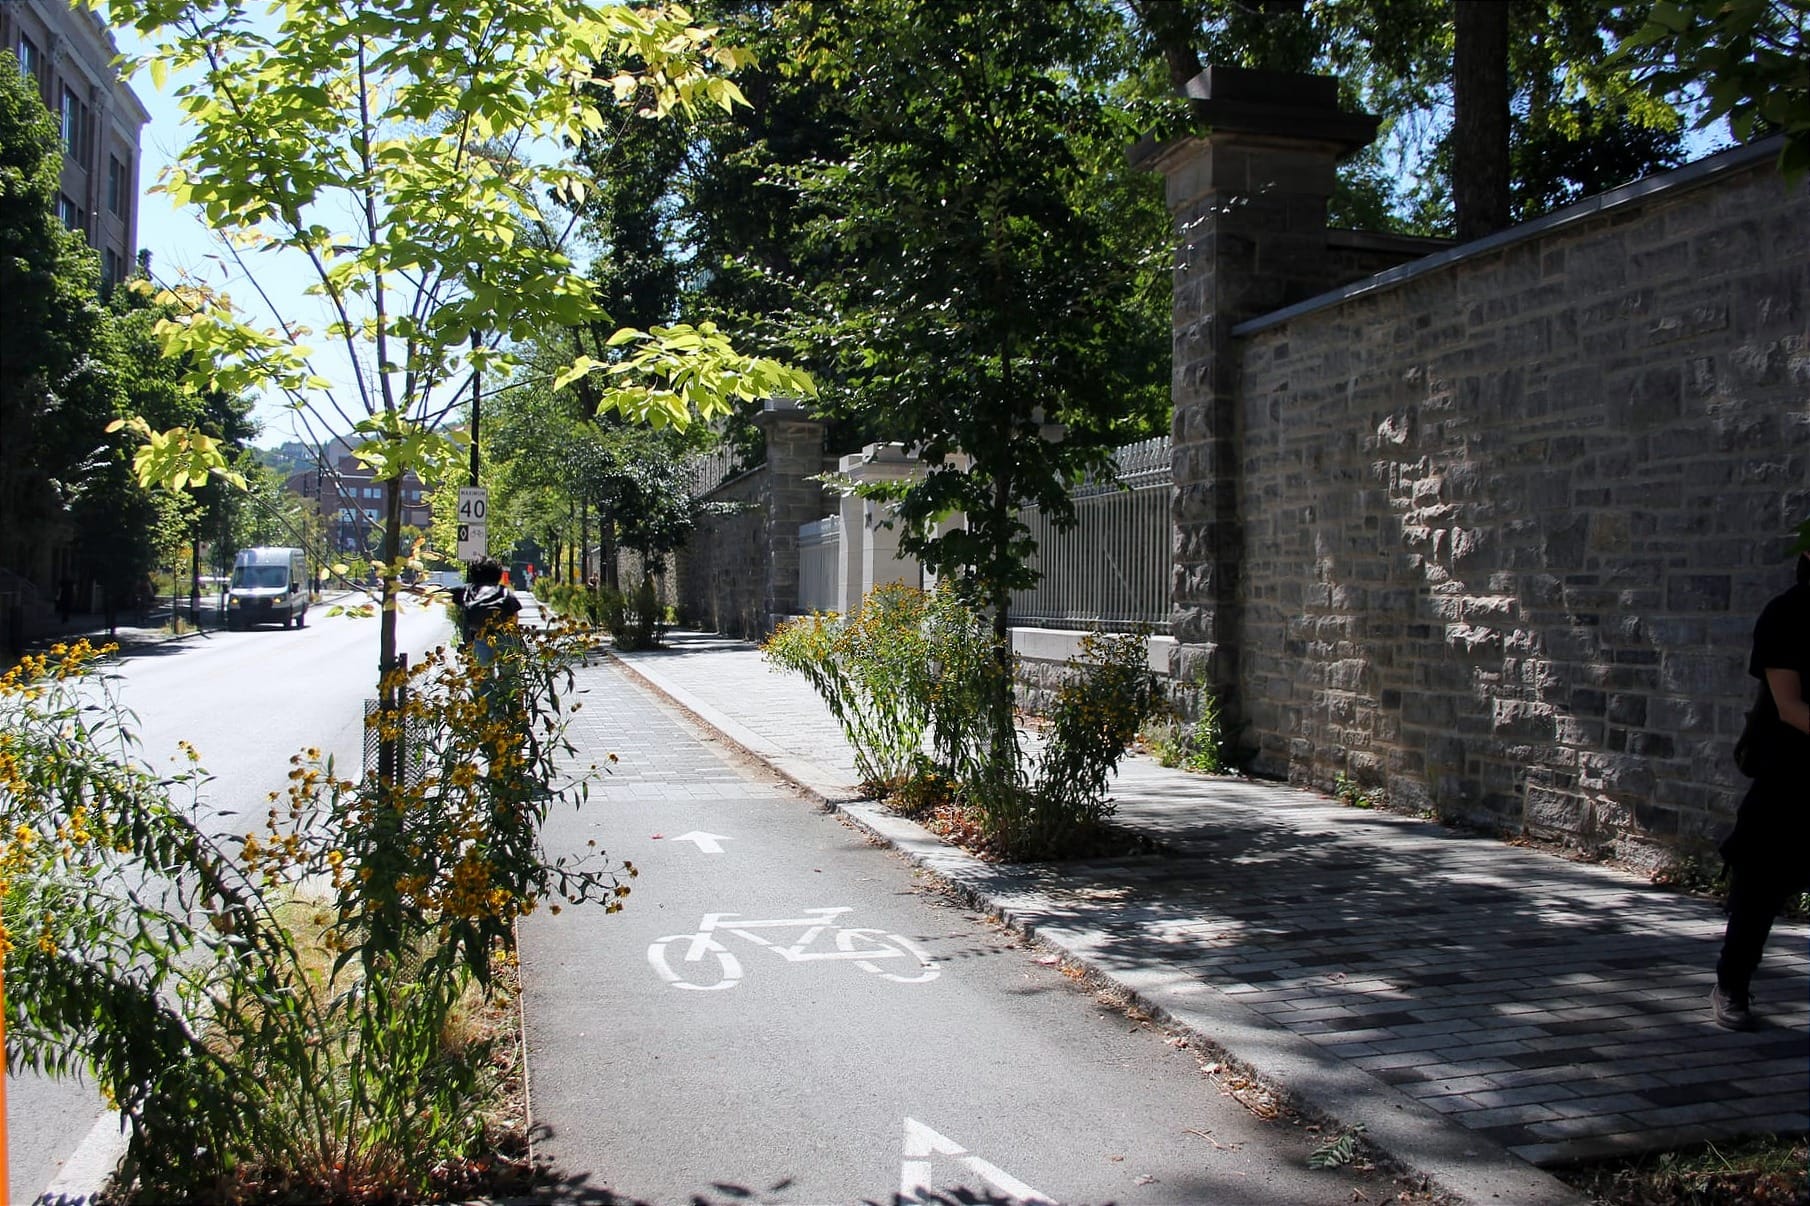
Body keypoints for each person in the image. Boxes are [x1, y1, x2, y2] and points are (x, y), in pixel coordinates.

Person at [1712, 548, 1810, 1029]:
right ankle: (1731, 985)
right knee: (1761, 888)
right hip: (1791, 773)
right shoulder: (1787, 614)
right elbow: (1790, 705)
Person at [451, 556, 522, 668]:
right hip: (505, 636)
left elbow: (444, 595)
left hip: (480, 635)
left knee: (482, 673)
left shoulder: (468, 590)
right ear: (498, 574)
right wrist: (515, 636)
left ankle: (485, 682)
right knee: (510, 673)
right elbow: (515, 615)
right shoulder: (504, 591)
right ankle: (509, 683)